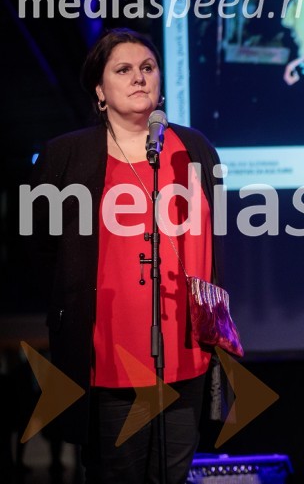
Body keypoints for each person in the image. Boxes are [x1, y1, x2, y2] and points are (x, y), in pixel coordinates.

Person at [28, 28, 224, 483]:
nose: (139, 78)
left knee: (174, 475)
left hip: (185, 353)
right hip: (108, 354)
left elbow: (210, 244)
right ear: (100, 90)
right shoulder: (65, 156)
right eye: (123, 70)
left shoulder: (195, 148)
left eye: (147, 68)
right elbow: (36, 247)